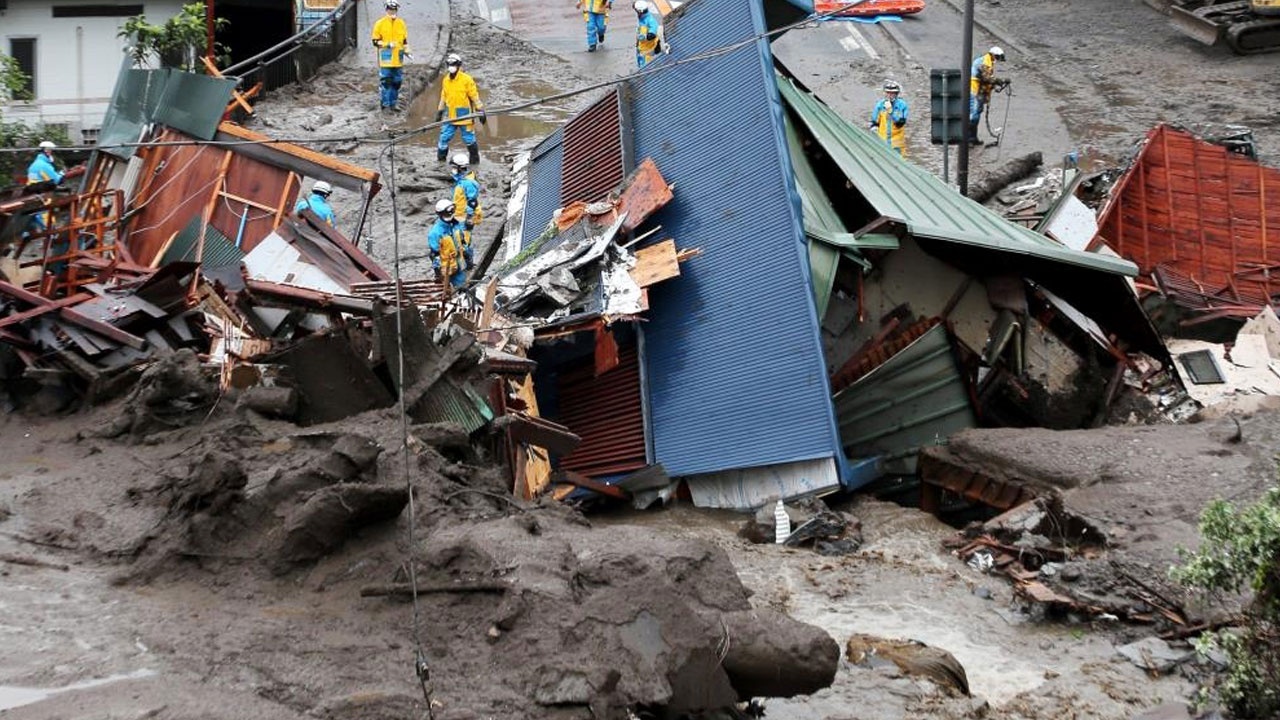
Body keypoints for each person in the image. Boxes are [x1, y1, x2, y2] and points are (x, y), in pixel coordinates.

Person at [435, 53, 485, 165]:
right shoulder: (446, 80)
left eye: (453, 65)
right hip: (450, 116)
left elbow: (474, 95)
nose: (451, 67)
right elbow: (444, 96)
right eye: (449, 64)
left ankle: (474, 164)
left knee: (469, 140)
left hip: (465, 116)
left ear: (458, 65)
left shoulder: (466, 80)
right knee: (444, 138)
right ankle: (440, 163)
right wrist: (440, 111)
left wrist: (480, 109)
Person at [371, 0, 410, 112]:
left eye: (394, 10)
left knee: (397, 82)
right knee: (386, 82)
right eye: (390, 9)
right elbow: (375, 41)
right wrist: (387, 44)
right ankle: (385, 104)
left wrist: (408, 51)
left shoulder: (401, 23)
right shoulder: (380, 23)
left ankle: (393, 103)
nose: (392, 11)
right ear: (386, 10)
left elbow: (404, 40)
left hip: (398, 58)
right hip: (386, 58)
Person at [969, 45, 1007, 144]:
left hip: (979, 90)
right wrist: (1000, 81)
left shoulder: (987, 62)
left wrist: (994, 85)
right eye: (997, 57)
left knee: (977, 113)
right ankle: (969, 138)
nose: (998, 59)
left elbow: (987, 79)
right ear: (992, 55)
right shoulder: (984, 63)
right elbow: (987, 78)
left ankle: (972, 137)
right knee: (974, 115)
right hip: (974, 89)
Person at [428, 198, 468, 289]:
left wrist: (467, 257)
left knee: (464, 290)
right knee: (446, 294)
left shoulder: (456, 226)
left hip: (459, 266)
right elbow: (434, 255)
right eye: (448, 211)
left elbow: (463, 243)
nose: (450, 213)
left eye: (452, 209)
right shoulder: (435, 233)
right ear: (441, 213)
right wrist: (438, 273)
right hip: (446, 270)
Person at [449, 153, 482, 264]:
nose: (452, 170)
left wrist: (469, 218)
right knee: (459, 240)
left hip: (464, 217)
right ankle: (466, 262)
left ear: (461, 168)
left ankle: (468, 264)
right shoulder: (461, 180)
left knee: (463, 242)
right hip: (458, 215)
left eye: (454, 167)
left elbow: (472, 201)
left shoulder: (468, 183)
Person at [868, 79, 908, 156]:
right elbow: (874, 122)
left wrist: (890, 111)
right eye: (887, 93)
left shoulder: (902, 105)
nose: (889, 95)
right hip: (883, 142)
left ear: (896, 94)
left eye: (892, 93)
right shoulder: (880, 105)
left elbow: (900, 123)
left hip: (897, 143)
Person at [633, 0, 663, 68]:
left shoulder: (650, 21)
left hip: (648, 52)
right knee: (640, 66)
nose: (636, 12)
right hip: (641, 49)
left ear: (640, 11)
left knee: (646, 69)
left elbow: (652, 35)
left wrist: (643, 37)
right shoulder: (642, 18)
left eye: (637, 11)